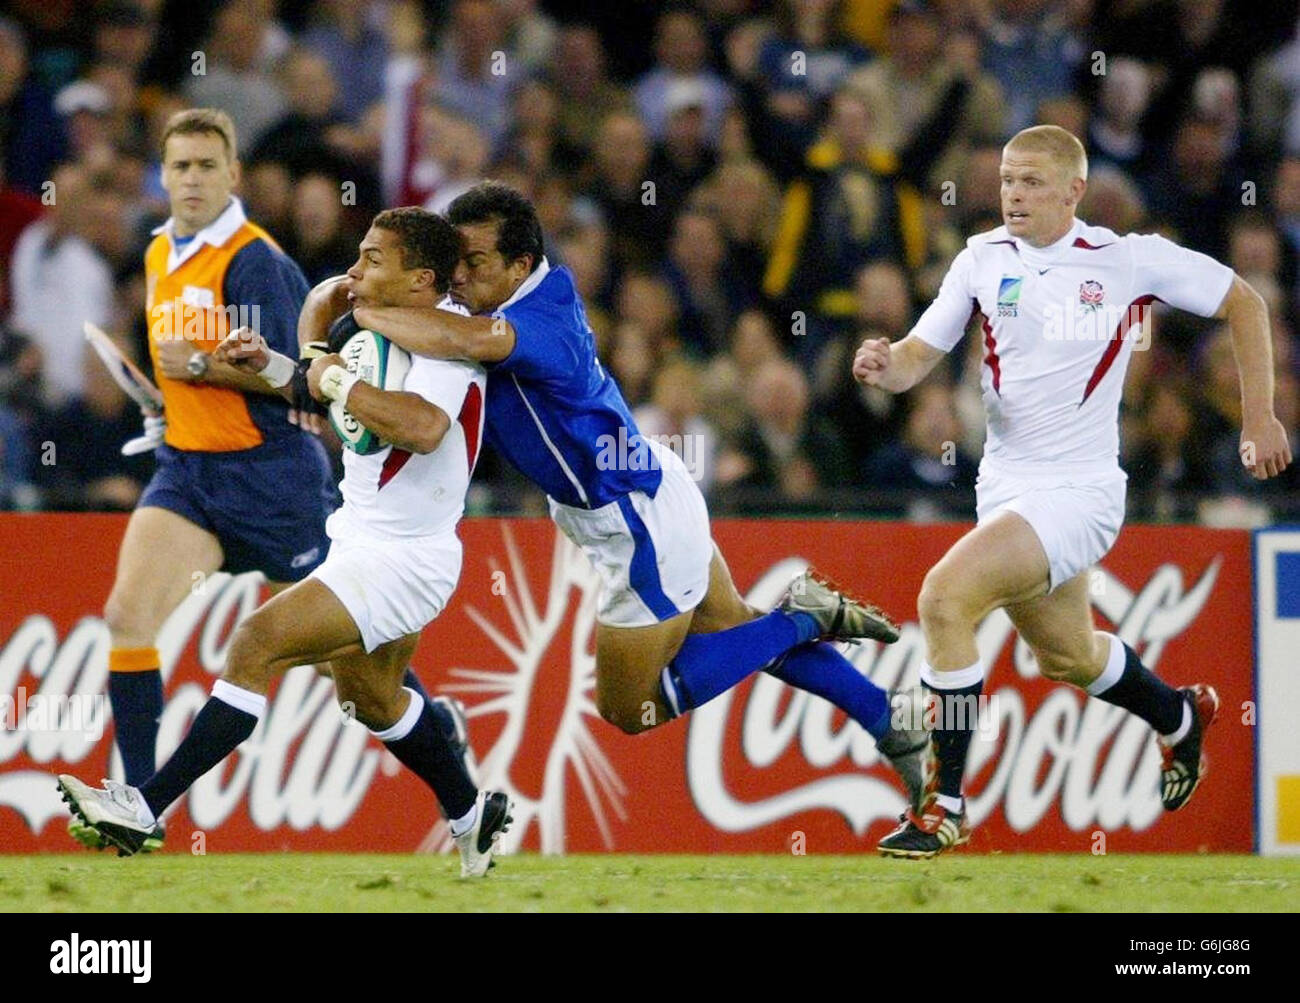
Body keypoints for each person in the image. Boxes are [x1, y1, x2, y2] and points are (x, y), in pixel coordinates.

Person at [347, 181, 935, 814]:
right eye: (455, 262)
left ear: (520, 265)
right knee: (734, 630)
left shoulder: (540, 317)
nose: (459, 277)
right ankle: (885, 717)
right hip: (645, 485)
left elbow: (465, 342)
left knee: (631, 707)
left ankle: (802, 616)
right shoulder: (501, 295)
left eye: (477, 263)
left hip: (632, 523)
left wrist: (361, 314)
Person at [853, 125, 1291, 858]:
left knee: (942, 596)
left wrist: (1259, 415)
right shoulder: (980, 259)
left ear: (1073, 190)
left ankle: (943, 805)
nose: (1013, 195)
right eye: (1006, 181)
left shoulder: (1122, 260)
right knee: (1068, 655)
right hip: (1007, 489)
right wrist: (881, 361)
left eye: (1029, 182)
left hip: (1079, 493)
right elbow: (917, 355)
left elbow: (1244, 303)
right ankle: (1179, 716)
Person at [60, 207, 511, 877]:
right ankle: (473, 816)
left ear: (421, 280)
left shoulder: (447, 347)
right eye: (358, 255)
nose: (355, 270)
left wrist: (333, 377)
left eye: (373, 260)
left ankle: (143, 807)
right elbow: (321, 334)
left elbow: (420, 428)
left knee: (253, 642)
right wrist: (277, 364)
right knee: (371, 699)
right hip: (364, 538)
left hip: (404, 558)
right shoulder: (371, 318)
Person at [76, 109, 441, 853]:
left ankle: (445, 745)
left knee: (354, 664)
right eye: (179, 166)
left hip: (272, 482)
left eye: (207, 166)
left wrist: (205, 370)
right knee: (126, 615)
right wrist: (173, 402)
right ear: (164, 174)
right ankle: (138, 812)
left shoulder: (255, 263)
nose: (191, 180)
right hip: (188, 473)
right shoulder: (158, 256)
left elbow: (306, 383)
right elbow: (187, 373)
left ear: (234, 174)